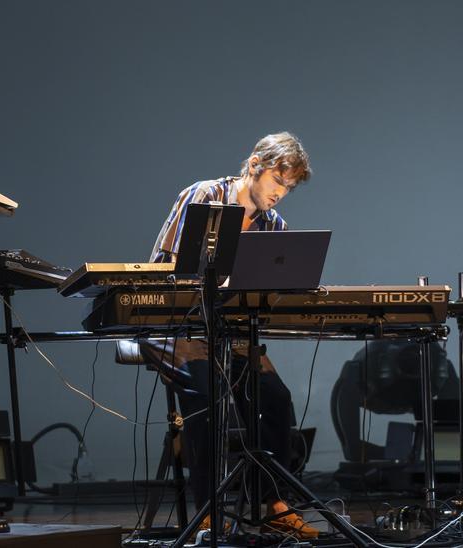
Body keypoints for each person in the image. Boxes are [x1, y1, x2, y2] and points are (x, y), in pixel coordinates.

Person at [142, 131, 319, 538]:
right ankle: (206, 509)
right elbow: (168, 266)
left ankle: (274, 504)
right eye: (278, 182)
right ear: (256, 165)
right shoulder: (204, 196)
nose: (281, 194)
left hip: (230, 331)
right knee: (205, 396)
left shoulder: (274, 224)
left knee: (276, 398)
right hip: (178, 325)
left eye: (288, 188)